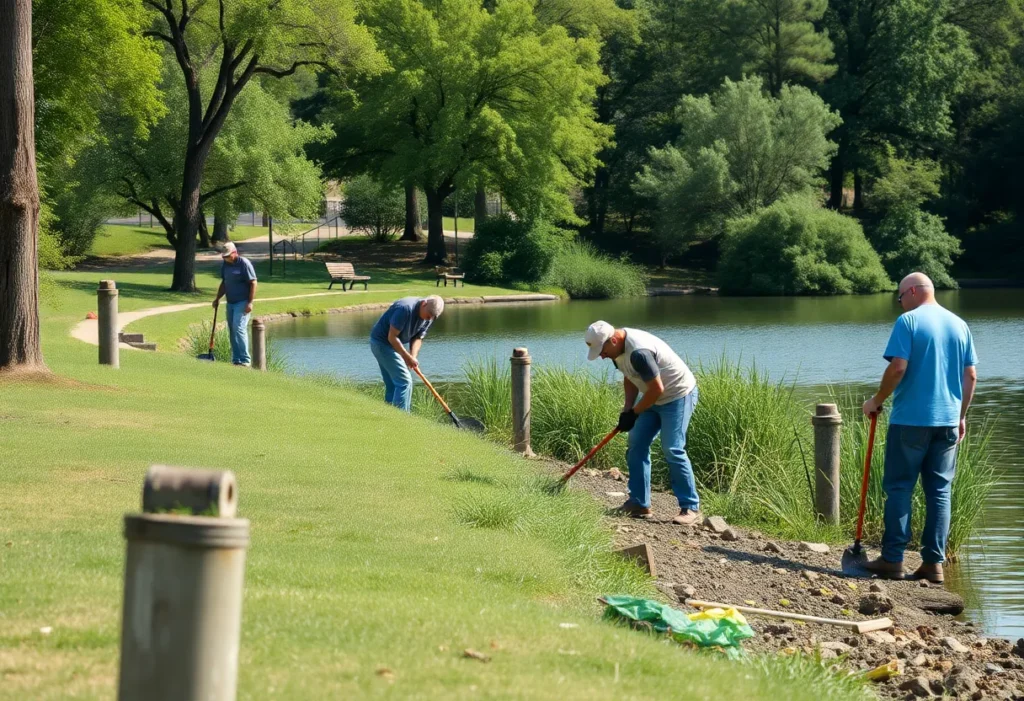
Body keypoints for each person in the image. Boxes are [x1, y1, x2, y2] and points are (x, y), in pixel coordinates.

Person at [861, 272, 978, 583]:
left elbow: (898, 367)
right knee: (940, 492)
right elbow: (971, 377)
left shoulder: (909, 321)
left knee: (900, 487)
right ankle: (933, 564)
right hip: (948, 423)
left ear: (911, 291)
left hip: (910, 421)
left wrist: (877, 399)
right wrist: (961, 415)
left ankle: (892, 559)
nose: (900, 304)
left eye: (900, 298)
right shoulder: (959, 325)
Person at [585, 321, 702, 525]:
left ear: (613, 340)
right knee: (636, 444)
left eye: (602, 351)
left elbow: (657, 389)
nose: (602, 356)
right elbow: (630, 376)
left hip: (677, 395)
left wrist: (635, 413)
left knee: (672, 448)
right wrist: (628, 408)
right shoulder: (617, 350)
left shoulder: (639, 352)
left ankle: (691, 508)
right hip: (652, 397)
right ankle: (639, 503)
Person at [369, 295, 445, 411]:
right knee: (404, 381)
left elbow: (418, 337)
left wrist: (413, 357)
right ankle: (403, 419)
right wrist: (406, 357)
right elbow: (392, 337)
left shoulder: (429, 316)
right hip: (381, 343)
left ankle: (389, 416)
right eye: (428, 315)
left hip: (393, 345)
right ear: (424, 304)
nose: (428, 319)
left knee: (393, 384)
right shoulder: (405, 309)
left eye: (431, 318)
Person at [212, 242, 257, 366]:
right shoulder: (225, 265)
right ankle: (236, 359)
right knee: (232, 330)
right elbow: (224, 283)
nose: (225, 258)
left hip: (242, 302)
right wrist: (217, 299)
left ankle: (245, 360)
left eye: (227, 256)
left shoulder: (244, 263)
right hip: (230, 302)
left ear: (235, 253)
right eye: (224, 256)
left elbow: (253, 282)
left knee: (239, 328)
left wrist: (250, 302)